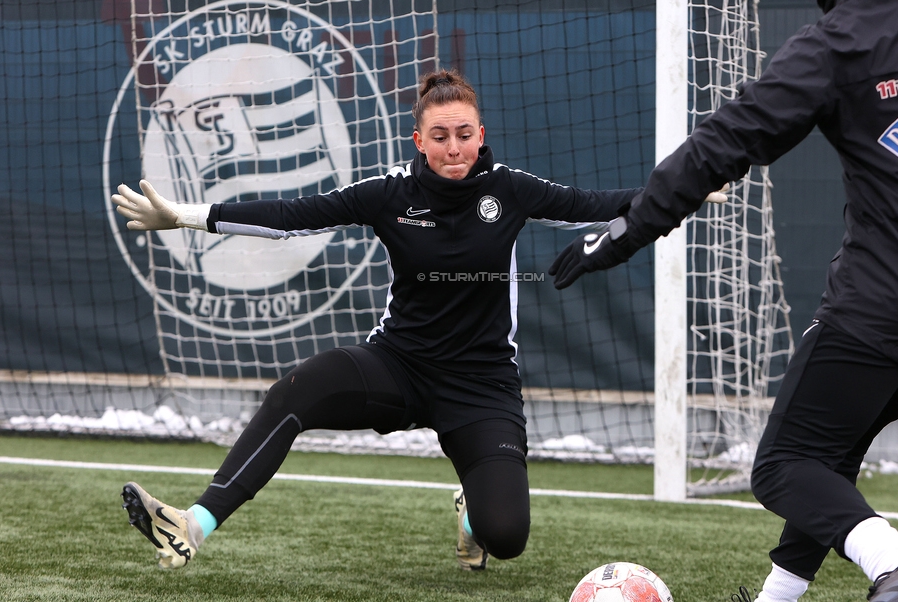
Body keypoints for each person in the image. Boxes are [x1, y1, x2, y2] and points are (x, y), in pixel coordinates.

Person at [111, 68, 657, 573]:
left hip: (482, 386)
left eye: (464, 134)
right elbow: (291, 217)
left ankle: (472, 508)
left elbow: (598, 203)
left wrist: (681, 191)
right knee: (295, 390)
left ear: (481, 134)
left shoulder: (509, 189)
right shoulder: (390, 193)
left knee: (506, 537)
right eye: (439, 136)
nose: (454, 147)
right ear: (419, 141)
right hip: (398, 366)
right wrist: (185, 216)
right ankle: (193, 524)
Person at [549, 0, 898, 601]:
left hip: (884, 304)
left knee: (781, 466)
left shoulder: (835, 43)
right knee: (831, 448)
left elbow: (722, 143)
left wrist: (630, 228)